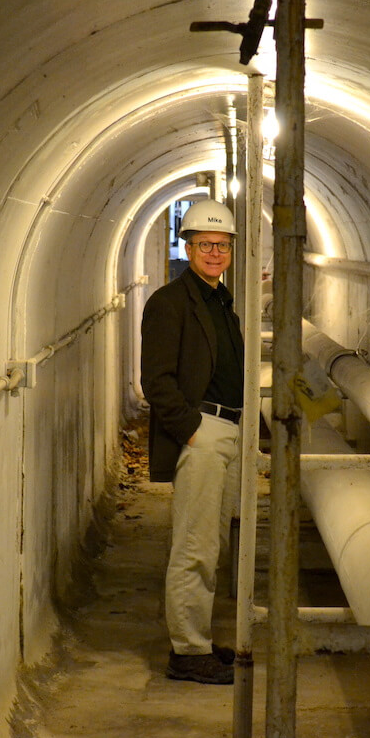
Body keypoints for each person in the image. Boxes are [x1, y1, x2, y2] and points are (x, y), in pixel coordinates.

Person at [140, 199, 244, 685]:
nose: (214, 253)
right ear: (187, 245)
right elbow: (156, 381)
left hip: (227, 430)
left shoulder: (220, 301)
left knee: (216, 541)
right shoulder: (169, 303)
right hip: (202, 432)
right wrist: (193, 431)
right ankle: (186, 651)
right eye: (205, 244)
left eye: (222, 245)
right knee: (195, 546)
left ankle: (198, 637)